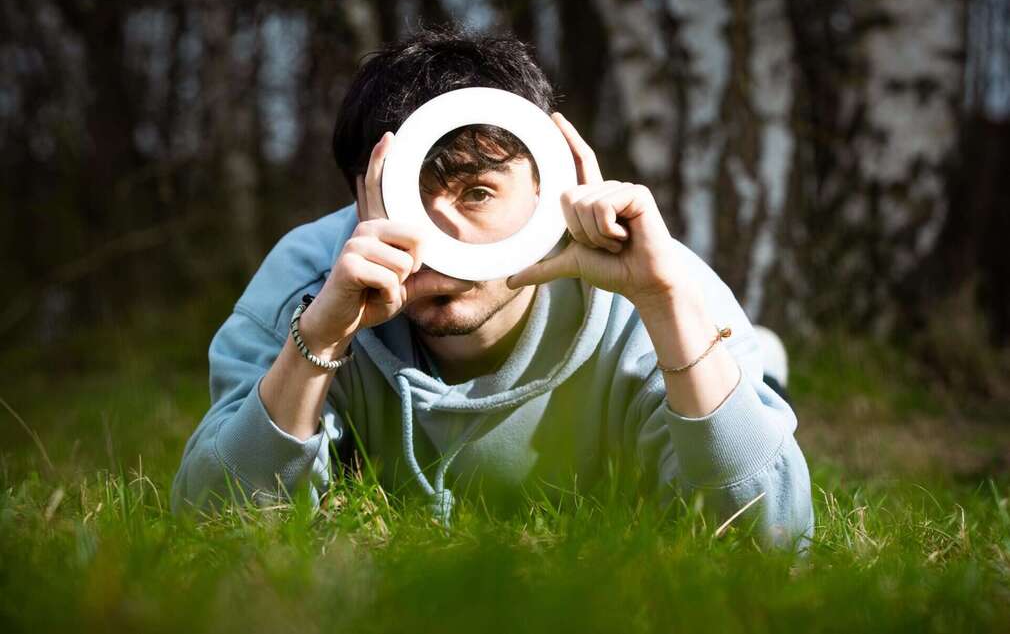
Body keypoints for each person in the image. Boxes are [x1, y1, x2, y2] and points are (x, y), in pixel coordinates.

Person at [170, 27, 814, 548]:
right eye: (406, 197)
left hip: (684, 339)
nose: (439, 241)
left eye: (477, 193)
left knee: (732, 377)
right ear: (361, 197)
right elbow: (210, 523)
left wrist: (665, 307)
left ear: (547, 186)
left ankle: (760, 365)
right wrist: (319, 341)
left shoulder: (661, 282)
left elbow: (775, 538)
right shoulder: (308, 285)